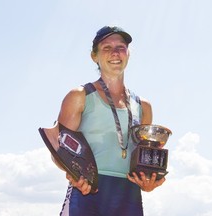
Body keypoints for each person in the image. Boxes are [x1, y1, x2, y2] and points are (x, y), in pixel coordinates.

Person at [55, 26, 166, 216]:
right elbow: (58, 149)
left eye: (121, 47)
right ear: (94, 56)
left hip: (128, 194)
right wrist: (73, 174)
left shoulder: (143, 106)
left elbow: (143, 157)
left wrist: (148, 180)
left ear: (128, 54)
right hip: (88, 190)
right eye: (107, 48)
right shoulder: (80, 96)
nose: (115, 53)